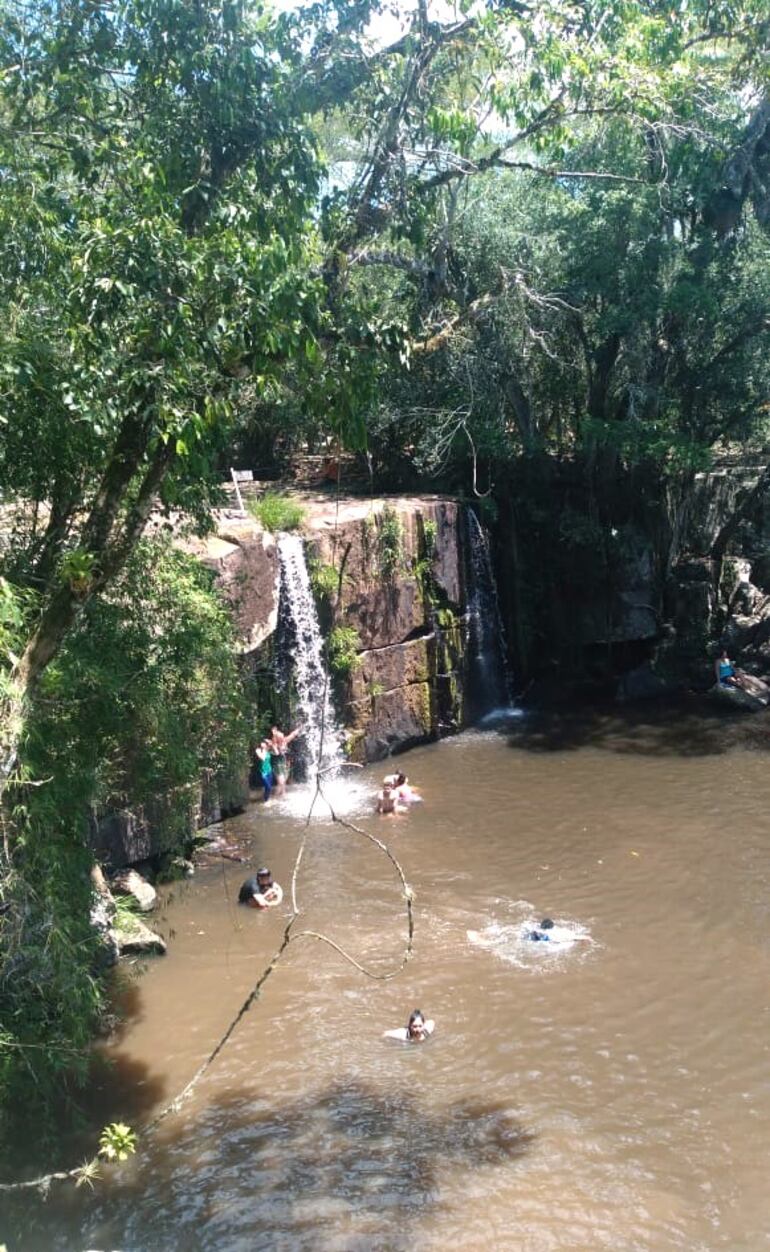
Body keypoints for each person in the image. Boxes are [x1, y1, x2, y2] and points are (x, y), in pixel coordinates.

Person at [269, 725, 302, 797]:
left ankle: (281, 796)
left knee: (282, 782)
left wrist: (298, 729)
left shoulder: (284, 741)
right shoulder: (274, 745)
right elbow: (277, 753)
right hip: (276, 764)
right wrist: (274, 735)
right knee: (281, 782)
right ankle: (277, 797)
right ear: (278, 738)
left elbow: (292, 735)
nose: (283, 737)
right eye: (281, 737)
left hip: (283, 763)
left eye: (282, 736)